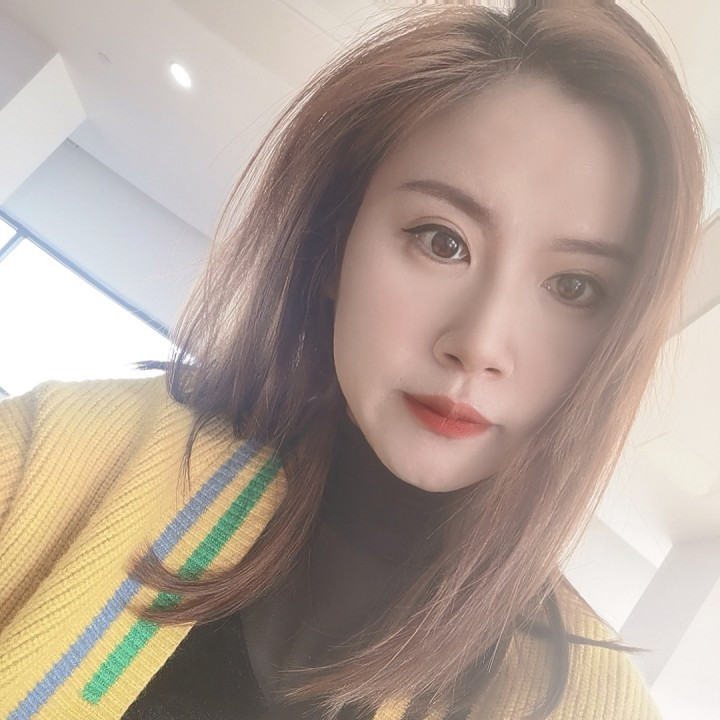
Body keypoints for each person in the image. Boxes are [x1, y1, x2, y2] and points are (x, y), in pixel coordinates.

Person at [0, 2, 706, 719]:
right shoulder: (57, 457)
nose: (479, 344)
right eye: (442, 240)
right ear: (337, 240)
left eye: (574, 287)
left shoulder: (594, 705)